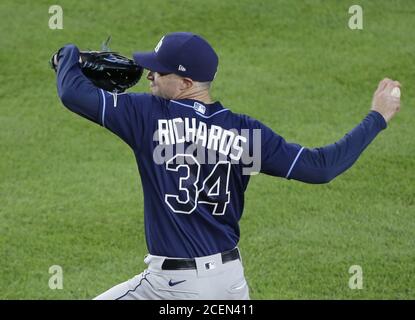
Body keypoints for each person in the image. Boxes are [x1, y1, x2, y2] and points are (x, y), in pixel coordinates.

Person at [52, 32, 401, 300]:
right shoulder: (246, 132)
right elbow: (320, 167)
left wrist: (69, 54)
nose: (150, 75)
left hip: (172, 287)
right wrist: (377, 117)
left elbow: (71, 92)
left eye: (160, 71)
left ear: (187, 83)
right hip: (229, 284)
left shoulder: (146, 115)